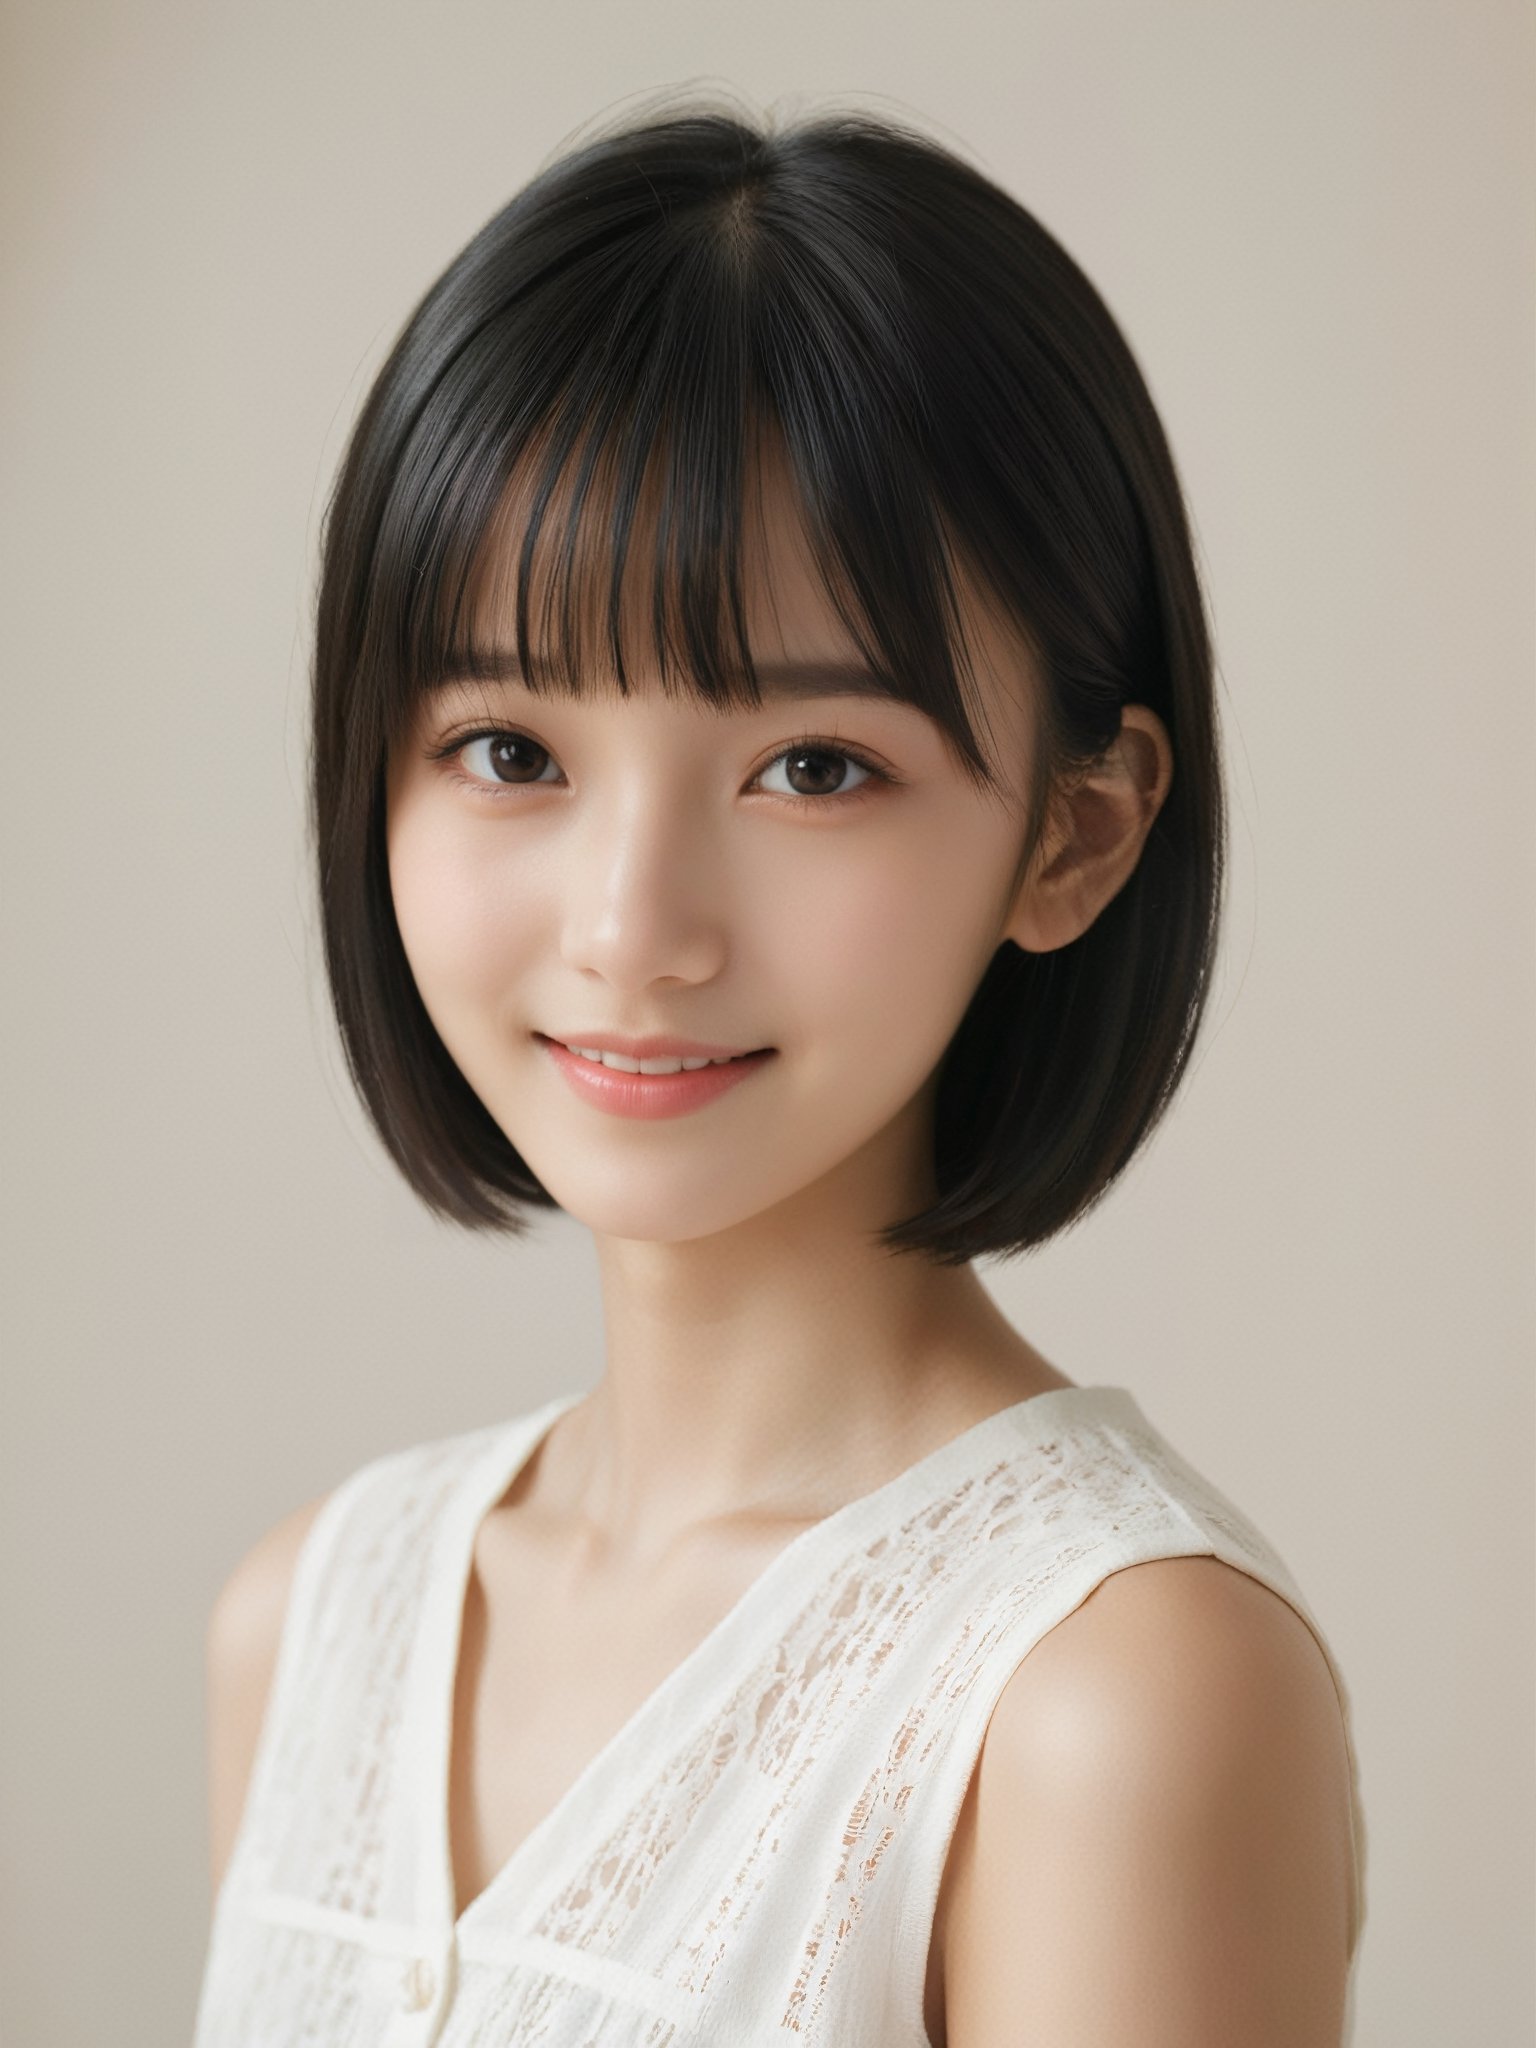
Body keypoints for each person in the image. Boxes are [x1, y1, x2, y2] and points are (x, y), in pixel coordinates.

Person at [194, 98, 1366, 2046]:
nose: (633, 924)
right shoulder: (312, 1618)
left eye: (814, 767)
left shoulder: (1109, 1699)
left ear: (1074, 836)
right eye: (509, 748)